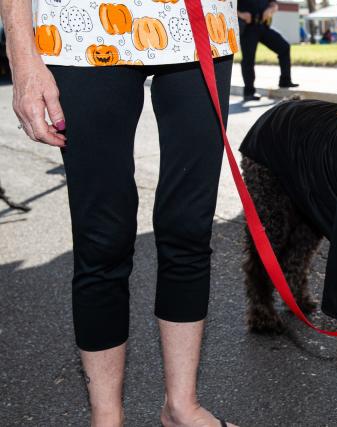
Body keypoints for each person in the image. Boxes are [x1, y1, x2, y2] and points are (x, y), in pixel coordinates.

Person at [0, 0, 239, 426]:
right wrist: (22, 55)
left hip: (202, 20)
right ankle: (106, 416)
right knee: (102, 237)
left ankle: (181, 407)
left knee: (189, 226)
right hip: (82, 26)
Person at [237, 0, 298, 101]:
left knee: (284, 47)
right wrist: (240, 14)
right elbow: (225, 5)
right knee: (248, 59)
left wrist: (271, 9)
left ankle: (285, 81)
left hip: (263, 26)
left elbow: (274, 4)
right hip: (248, 28)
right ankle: (248, 92)